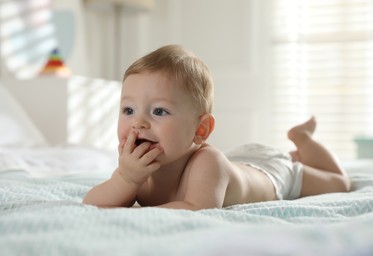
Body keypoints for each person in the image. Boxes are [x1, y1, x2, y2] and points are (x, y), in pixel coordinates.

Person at [83, 45, 350, 210]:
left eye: (159, 111)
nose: (138, 123)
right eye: (128, 110)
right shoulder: (136, 166)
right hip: (240, 160)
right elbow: (93, 204)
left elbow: (198, 207)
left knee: (339, 183)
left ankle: (301, 140)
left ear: (200, 131)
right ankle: (296, 150)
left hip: (272, 173)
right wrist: (127, 179)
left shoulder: (207, 162)